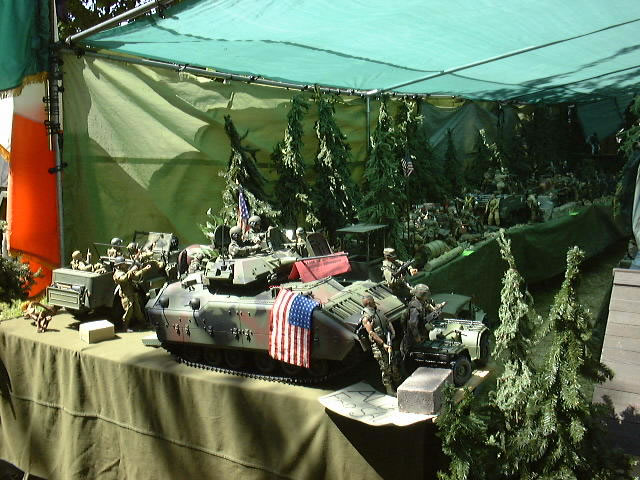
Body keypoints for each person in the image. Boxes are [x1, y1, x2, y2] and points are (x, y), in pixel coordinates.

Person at [360, 294, 401, 395]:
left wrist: (392, 331)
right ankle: (389, 389)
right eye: (373, 300)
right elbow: (371, 333)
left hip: (388, 341)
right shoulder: (366, 318)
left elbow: (387, 321)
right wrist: (383, 344)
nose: (374, 301)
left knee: (394, 365)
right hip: (379, 347)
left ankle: (399, 385)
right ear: (369, 302)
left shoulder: (377, 312)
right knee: (385, 369)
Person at [401, 284, 446, 357]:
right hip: (413, 340)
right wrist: (417, 337)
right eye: (426, 294)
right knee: (415, 356)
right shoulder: (415, 307)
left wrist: (437, 311)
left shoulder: (422, 302)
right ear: (422, 295)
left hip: (422, 334)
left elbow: (423, 318)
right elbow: (413, 324)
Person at [112, 256, 151, 331]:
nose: (125, 265)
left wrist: (145, 269)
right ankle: (124, 328)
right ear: (118, 265)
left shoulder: (126, 271)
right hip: (126, 295)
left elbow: (135, 275)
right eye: (123, 264)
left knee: (138, 311)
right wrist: (131, 270)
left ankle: (143, 324)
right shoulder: (117, 274)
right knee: (128, 312)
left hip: (133, 293)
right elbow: (123, 279)